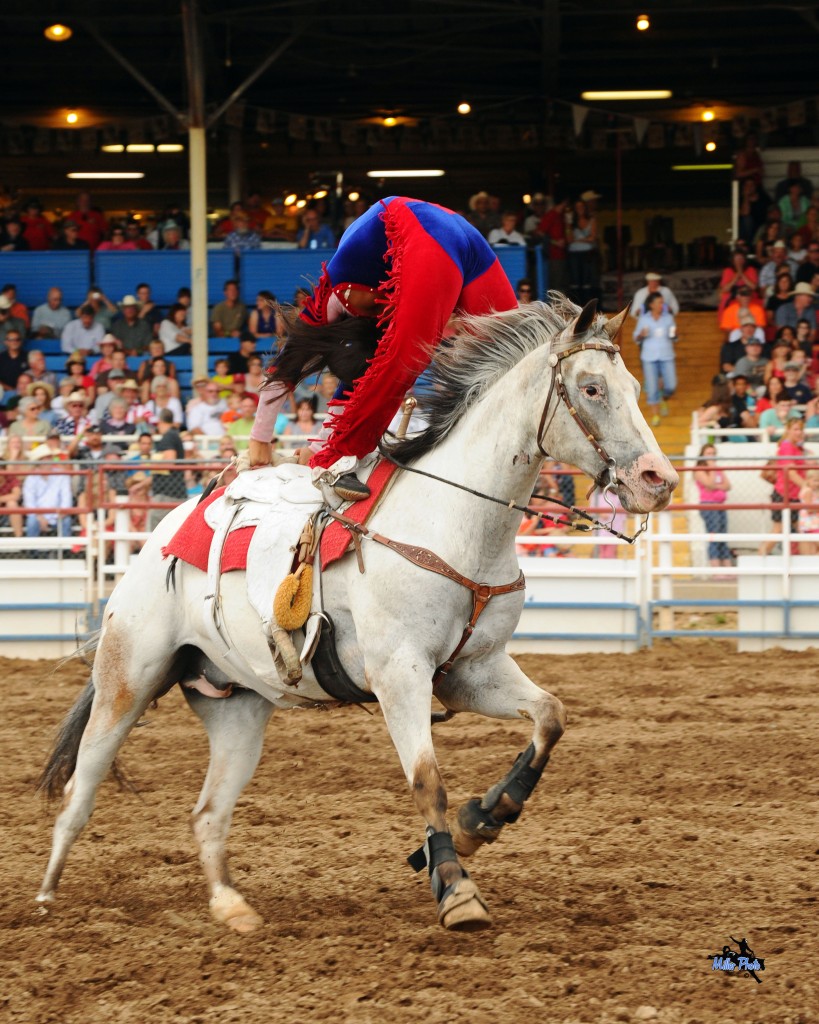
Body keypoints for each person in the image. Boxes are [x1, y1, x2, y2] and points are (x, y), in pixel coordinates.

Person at [247, 195, 517, 501]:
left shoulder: (324, 302)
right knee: (514, 350)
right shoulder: (378, 322)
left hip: (417, 227)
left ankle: (335, 460)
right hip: (462, 235)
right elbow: (357, 385)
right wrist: (316, 444)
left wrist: (260, 441)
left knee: (404, 361)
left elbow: (285, 368)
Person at [759, 415, 808, 555]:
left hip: (795, 495)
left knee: (799, 529)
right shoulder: (787, 446)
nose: (799, 432)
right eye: (796, 429)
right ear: (788, 430)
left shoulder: (796, 447)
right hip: (784, 494)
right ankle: (761, 556)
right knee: (779, 529)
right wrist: (807, 487)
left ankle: (797, 562)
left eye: (801, 429)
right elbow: (791, 473)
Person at [633, 292, 677, 427]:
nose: (661, 305)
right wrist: (641, 334)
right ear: (651, 305)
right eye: (659, 302)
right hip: (649, 356)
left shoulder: (668, 318)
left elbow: (674, 336)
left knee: (671, 385)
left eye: (662, 302)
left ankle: (664, 397)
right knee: (652, 387)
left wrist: (674, 335)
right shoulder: (644, 319)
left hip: (666, 355)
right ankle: (656, 415)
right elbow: (636, 337)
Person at [22, 443, 74, 542]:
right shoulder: (30, 478)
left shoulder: (62, 475)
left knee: (66, 520)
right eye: (45, 458)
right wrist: (39, 516)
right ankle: (33, 553)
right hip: (38, 515)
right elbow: (29, 502)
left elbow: (66, 498)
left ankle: (65, 551)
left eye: (50, 457)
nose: (48, 461)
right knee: (32, 521)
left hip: (58, 513)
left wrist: (61, 513)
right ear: (39, 461)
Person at [694, 444, 732, 570]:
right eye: (708, 453)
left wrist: (717, 484)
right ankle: (716, 569)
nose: (711, 456)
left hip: (720, 505)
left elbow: (728, 486)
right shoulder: (700, 469)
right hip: (709, 506)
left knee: (723, 536)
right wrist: (711, 469)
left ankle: (727, 568)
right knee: (714, 536)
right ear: (702, 455)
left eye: (713, 453)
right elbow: (709, 484)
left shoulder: (718, 469)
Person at [149, 409, 187, 530]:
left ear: (159, 422)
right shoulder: (174, 434)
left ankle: (154, 549)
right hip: (172, 490)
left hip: (168, 492)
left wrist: (152, 466)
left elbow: (170, 461)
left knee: (155, 519)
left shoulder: (169, 437)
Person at [797, 467, 819, 555]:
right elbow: (809, 508)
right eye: (815, 481)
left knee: (813, 551)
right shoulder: (809, 491)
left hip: (811, 523)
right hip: (811, 524)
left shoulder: (809, 490)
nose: (818, 483)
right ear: (808, 480)